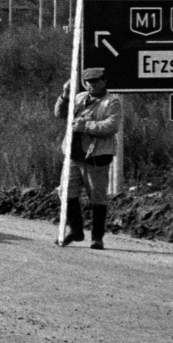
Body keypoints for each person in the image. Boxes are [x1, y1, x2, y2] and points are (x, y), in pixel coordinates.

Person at [53, 66, 123, 249]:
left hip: (96, 155)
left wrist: (86, 126)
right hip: (74, 155)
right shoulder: (79, 98)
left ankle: (97, 237)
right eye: (88, 82)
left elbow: (112, 126)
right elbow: (60, 114)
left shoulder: (112, 102)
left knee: (97, 198)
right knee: (66, 192)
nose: (92, 85)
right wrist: (65, 95)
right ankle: (76, 230)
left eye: (95, 81)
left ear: (104, 81)